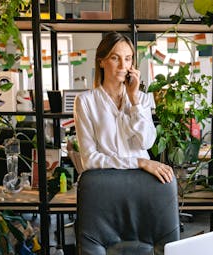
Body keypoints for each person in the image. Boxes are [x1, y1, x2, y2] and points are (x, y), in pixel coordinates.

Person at [73, 32, 174, 184]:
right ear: (101, 61)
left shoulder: (142, 99)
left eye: (127, 59)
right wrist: (139, 162)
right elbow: (89, 160)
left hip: (142, 181)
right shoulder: (85, 101)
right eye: (115, 58)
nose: (123, 66)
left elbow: (146, 143)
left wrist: (134, 101)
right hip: (107, 183)